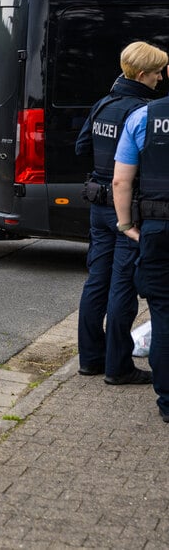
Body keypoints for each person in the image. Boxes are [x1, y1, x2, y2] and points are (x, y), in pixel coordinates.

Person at [74, 41, 166, 385]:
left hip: (98, 205)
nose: (160, 78)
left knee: (96, 281)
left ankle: (90, 359)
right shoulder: (143, 110)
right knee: (123, 286)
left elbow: (82, 147)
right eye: (157, 72)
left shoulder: (104, 104)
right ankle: (118, 367)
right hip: (126, 209)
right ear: (142, 74)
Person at [114, 64, 169, 422]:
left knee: (163, 314)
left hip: (158, 229)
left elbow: (121, 182)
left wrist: (126, 225)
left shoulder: (143, 117)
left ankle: (167, 401)